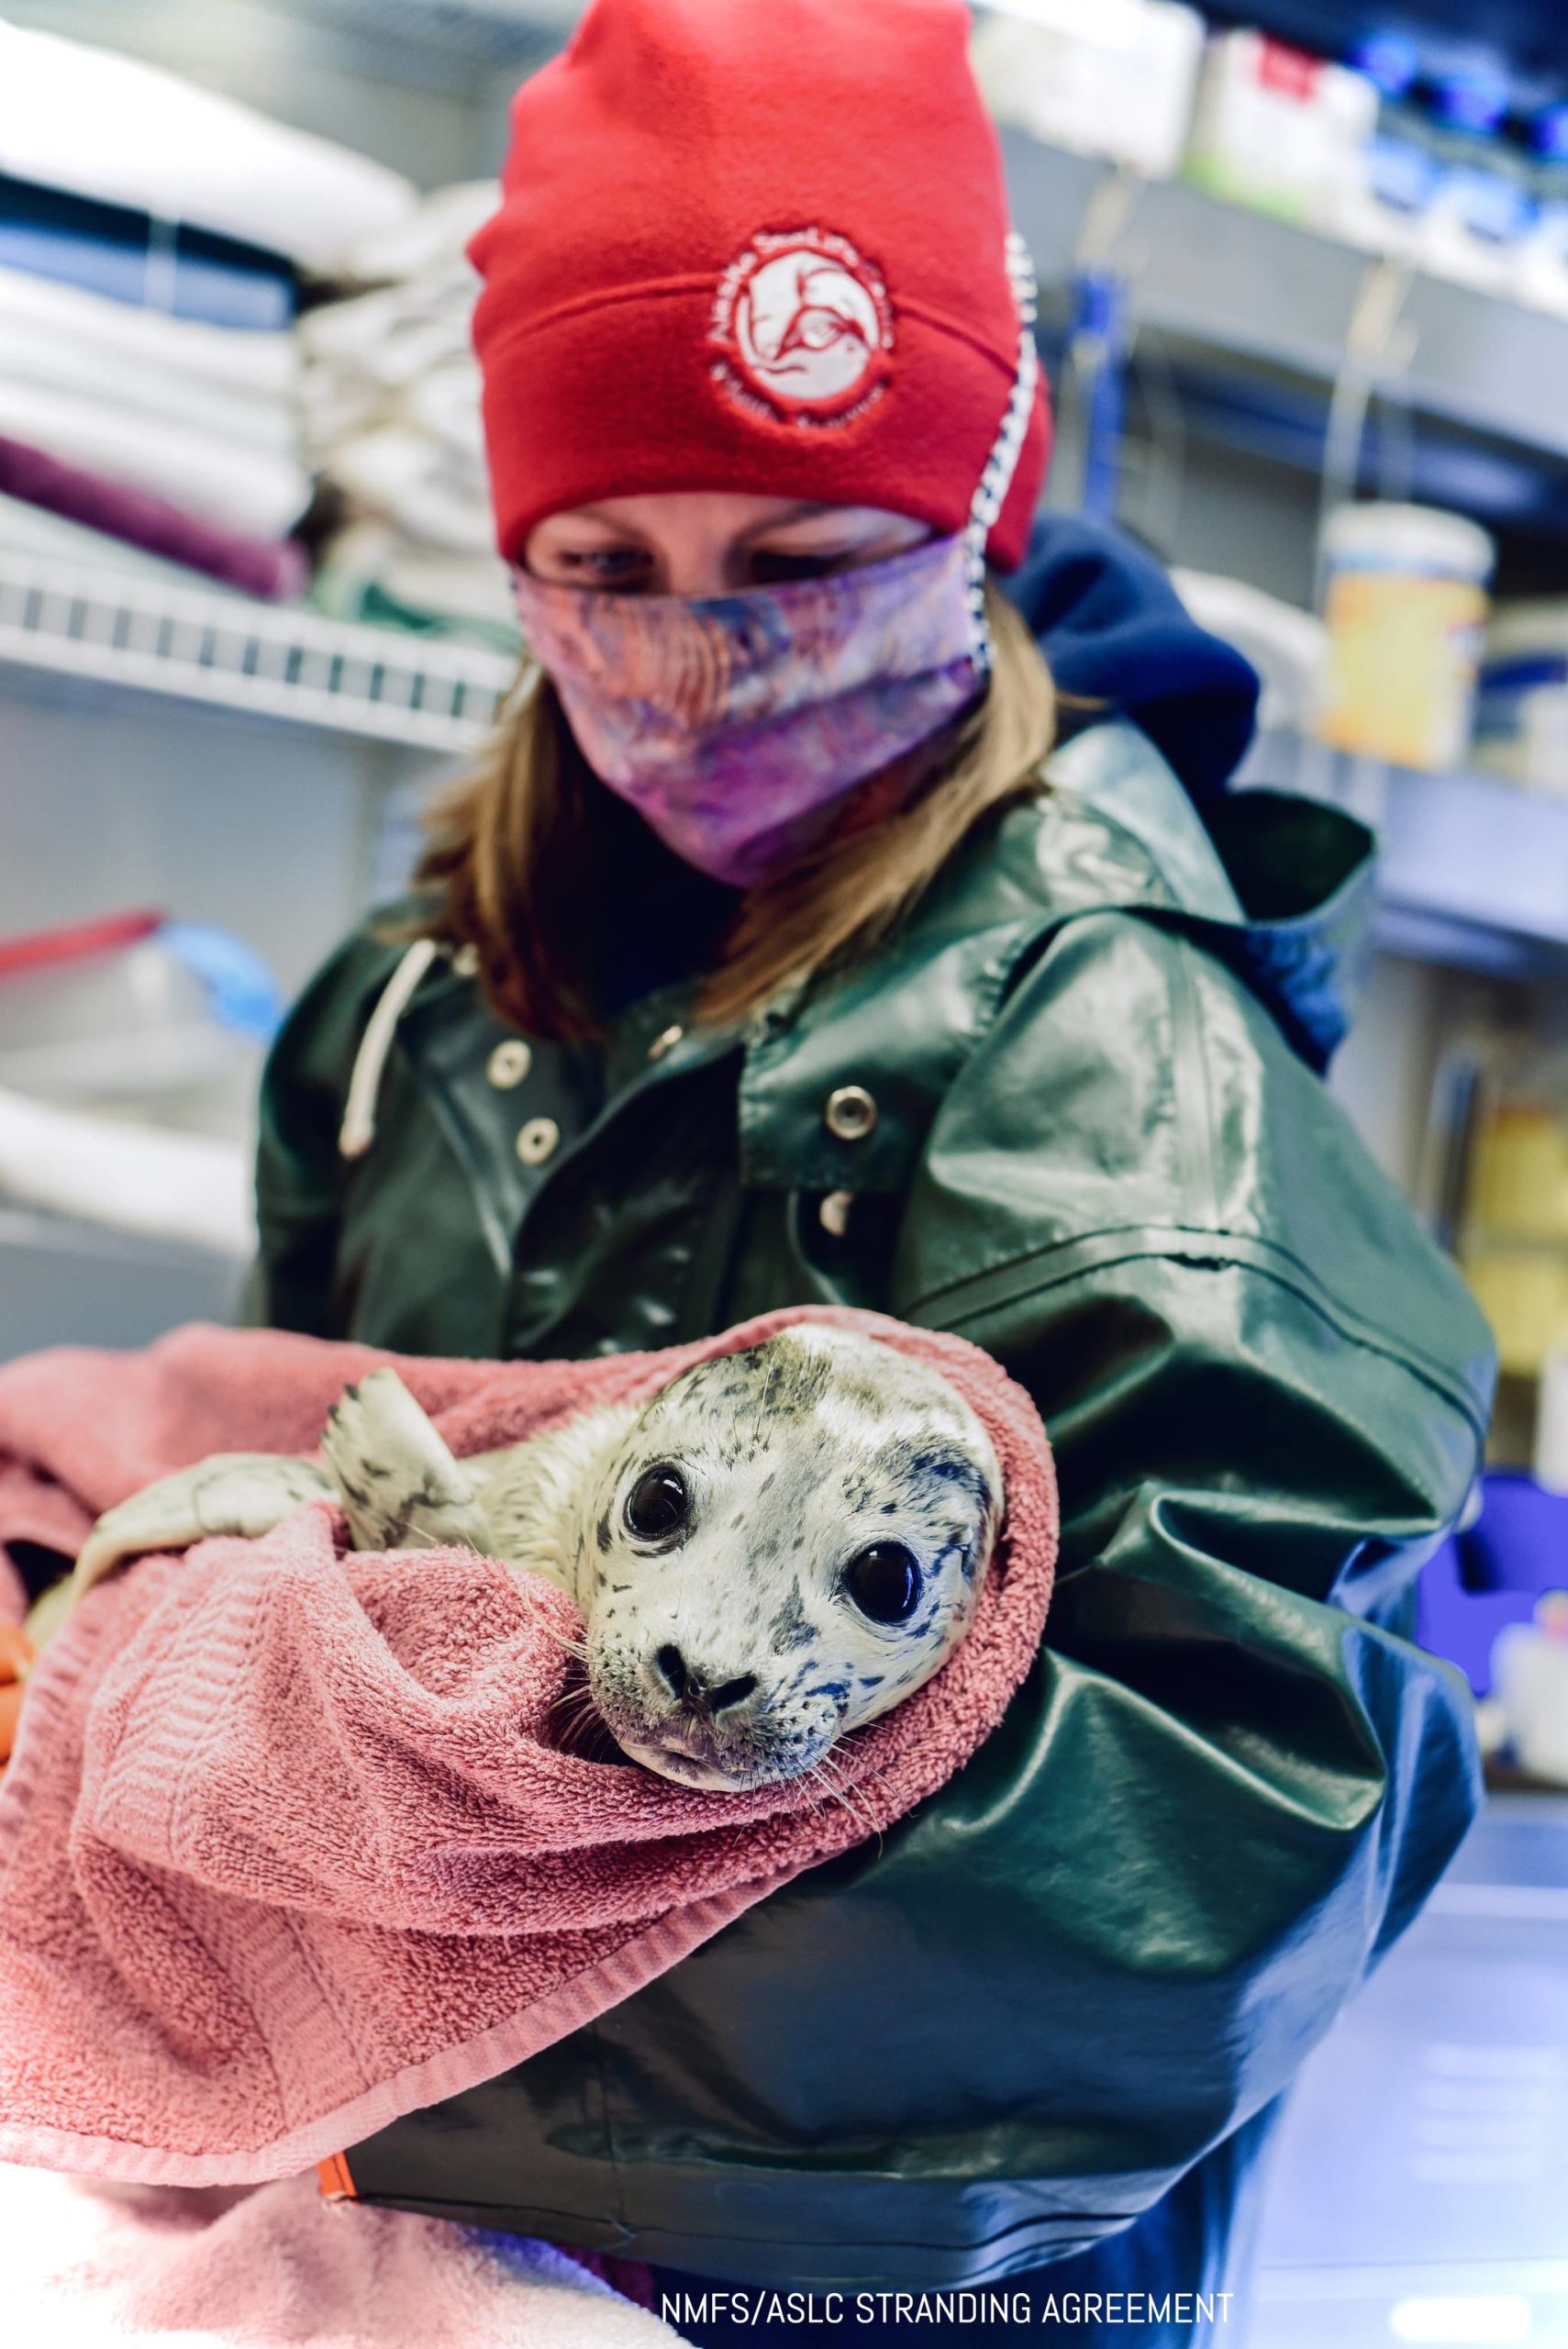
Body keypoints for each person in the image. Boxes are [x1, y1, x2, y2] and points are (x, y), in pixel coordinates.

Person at [247, 2, 1495, 2339]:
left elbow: (1209, 1849)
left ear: (973, 537)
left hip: (892, 2294)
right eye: (601, 556)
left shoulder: (1125, 1062)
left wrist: (375, 1996)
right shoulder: (403, 1019)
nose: (694, 656)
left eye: (805, 553)